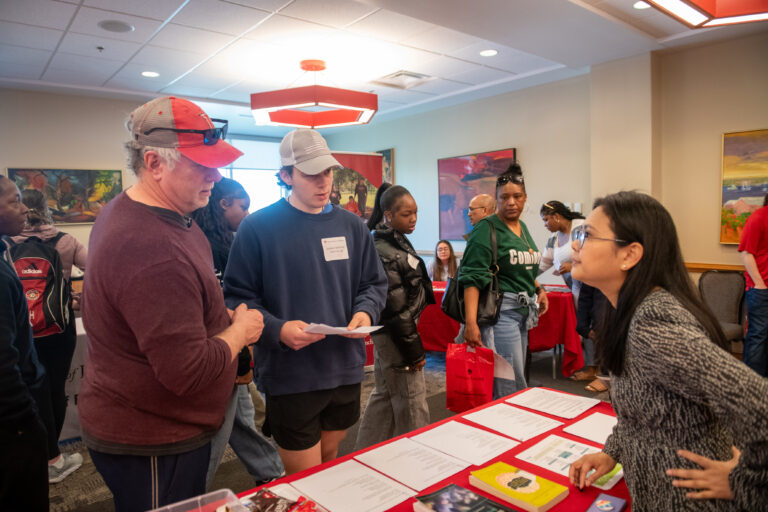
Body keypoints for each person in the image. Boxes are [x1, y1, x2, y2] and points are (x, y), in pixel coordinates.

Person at [79, 96, 264, 511]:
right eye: (201, 164)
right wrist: (240, 331)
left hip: (151, 424)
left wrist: (219, 316)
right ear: (155, 163)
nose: (215, 176)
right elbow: (186, 371)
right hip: (152, 439)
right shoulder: (151, 246)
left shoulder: (163, 214)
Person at [568, 191, 768, 510]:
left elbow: (760, 406)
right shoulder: (627, 310)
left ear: (630, 254)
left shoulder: (653, 323)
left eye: (587, 235)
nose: (575, 245)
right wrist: (612, 452)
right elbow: (644, 412)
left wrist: (744, 482)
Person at [223, 128, 387, 475]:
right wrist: (278, 330)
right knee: (304, 479)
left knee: (329, 464)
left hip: (344, 368)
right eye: (311, 174)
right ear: (286, 176)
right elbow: (238, 298)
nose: (323, 182)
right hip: (291, 374)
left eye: (327, 171)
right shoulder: (258, 228)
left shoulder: (353, 226)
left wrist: (364, 311)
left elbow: (373, 283)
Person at [191, 178, 284, 487]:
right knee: (221, 428)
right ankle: (193, 494)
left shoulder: (224, 242)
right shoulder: (202, 244)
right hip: (217, 351)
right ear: (223, 204)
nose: (247, 214)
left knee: (242, 419)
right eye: (243, 207)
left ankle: (271, 471)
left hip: (232, 350)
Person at [11, 189, 87, 483]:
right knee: (55, 388)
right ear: (47, 208)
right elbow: (95, 267)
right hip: (58, 327)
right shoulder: (65, 241)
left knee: (25, 388)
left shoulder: (5, 242)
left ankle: (29, 453)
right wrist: (80, 300)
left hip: (20, 329)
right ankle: (53, 457)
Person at [458, 164, 548, 398]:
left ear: (525, 198)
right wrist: (470, 323)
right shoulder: (486, 228)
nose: (511, 202)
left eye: (517, 196)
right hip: (501, 315)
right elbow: (471, 278)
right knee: (510, 382)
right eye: (504, 197)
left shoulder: (523, 228)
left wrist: (539, 289)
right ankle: (509, 429)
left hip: (523, 313)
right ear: (496, 200)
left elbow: (523, 264)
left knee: (515, 377)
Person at [355, 184, 434, 448]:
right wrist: (414, 352)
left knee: (386, 395)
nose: (413, 219)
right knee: (412, 401)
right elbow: (395, 308)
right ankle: (419, 464)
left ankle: (362, 457)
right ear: (388, 215)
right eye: (406, 214)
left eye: (415, 213)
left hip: (394, 332)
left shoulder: (395, 240)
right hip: (396, 335)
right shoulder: (382, 248)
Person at [0, 176, 48, 511]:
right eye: (15, 200)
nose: (24, 209)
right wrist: (24, 418)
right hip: (11, 421)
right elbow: (3, 358)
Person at [738, 200, 768, 376]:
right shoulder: (758, 217)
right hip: (761, 290)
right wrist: (760, 284)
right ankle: (750, 385)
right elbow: (746, 253)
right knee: (758, 336)